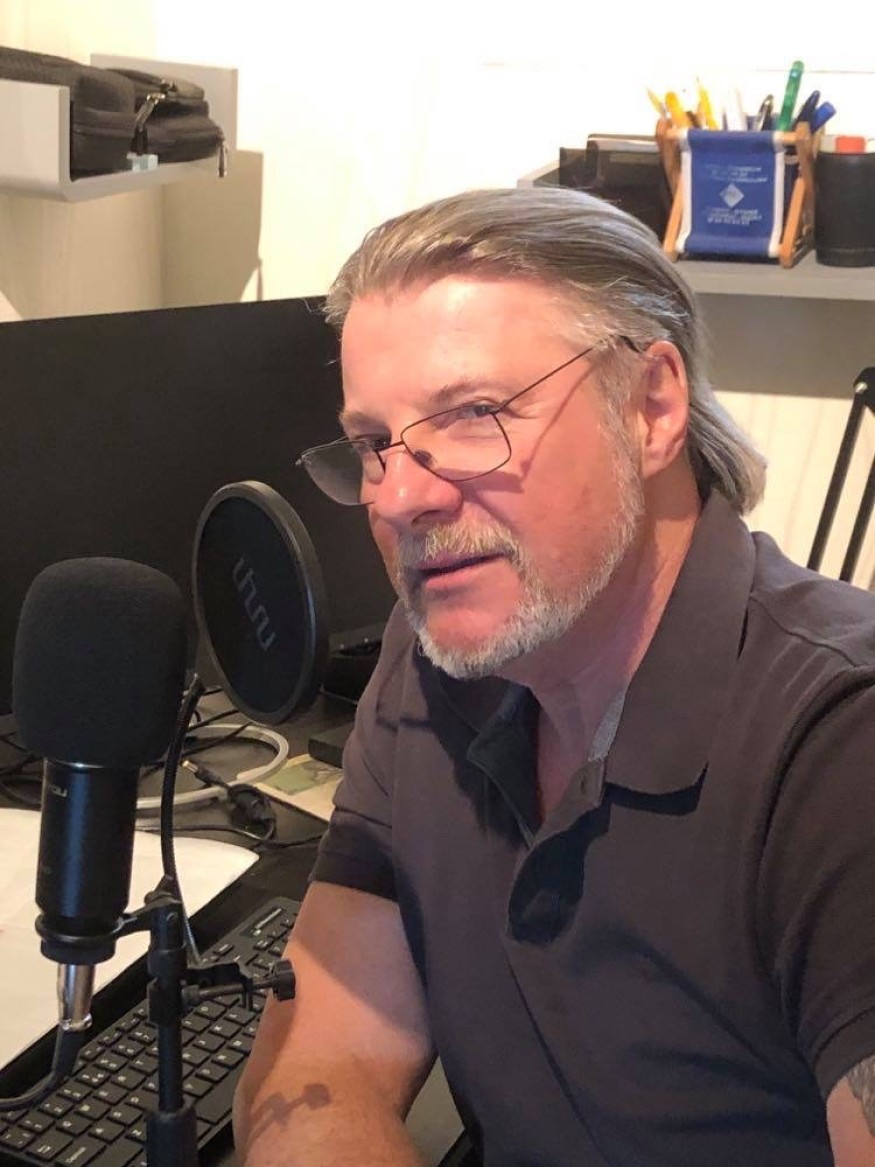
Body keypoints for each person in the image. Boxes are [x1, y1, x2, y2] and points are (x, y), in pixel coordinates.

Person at [233, 187, 875, 1166]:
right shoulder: (431, 654)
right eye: (372, 445)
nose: (399, 498)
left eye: (475, 413)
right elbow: (323, 1060)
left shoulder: (840, 744)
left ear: (650, 406)